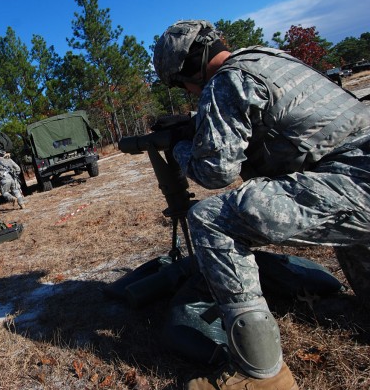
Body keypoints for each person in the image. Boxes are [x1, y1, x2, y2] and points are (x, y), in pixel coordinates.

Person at [153, 19, 370, 389]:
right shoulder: (267, 58)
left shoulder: (225, 81)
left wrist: (179, 145)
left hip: (354, 182)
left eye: (180, 82)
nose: (188, 91)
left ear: (191, 66)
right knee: (342, 220)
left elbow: (214, 172)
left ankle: (263, 377)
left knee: (209, 219)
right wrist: (199, 121)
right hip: (357, 167)